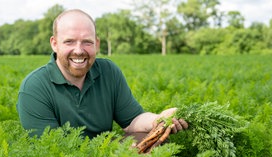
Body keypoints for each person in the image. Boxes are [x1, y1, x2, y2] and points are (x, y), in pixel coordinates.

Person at [16, 9, 188, 141]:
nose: (79, 50)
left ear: (96, 44)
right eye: (69, 41)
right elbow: (51, 150)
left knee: (154, 141)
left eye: (87, 42)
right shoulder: (34, 87)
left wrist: (159, 120)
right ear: (54, 43)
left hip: (107, 155)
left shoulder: (108, 71)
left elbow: (132, 121)